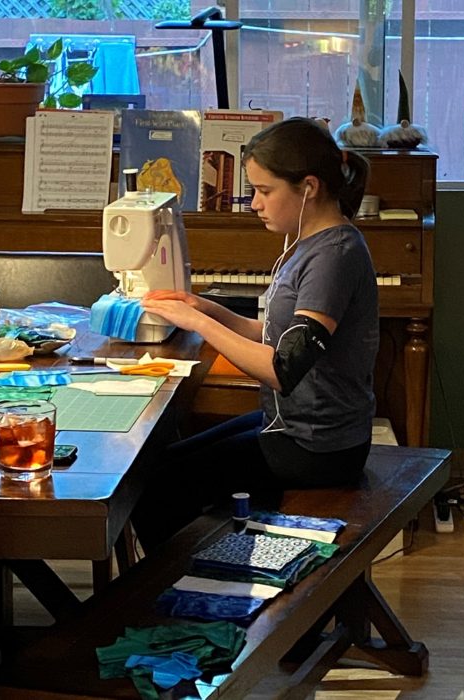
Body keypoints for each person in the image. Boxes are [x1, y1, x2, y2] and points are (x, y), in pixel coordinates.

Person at [131, 116, 379, 553]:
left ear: (308, 187)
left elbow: (284, 369)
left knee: (158, 490)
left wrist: (200, 325)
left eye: (265, 191)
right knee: (157, 464)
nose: (254, 204)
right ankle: (190, 580)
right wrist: (204, 307)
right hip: (296, 428)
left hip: (317, 449)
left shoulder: (334, 256)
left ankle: (176, 599)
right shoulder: (311, 244)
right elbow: (273, 335)